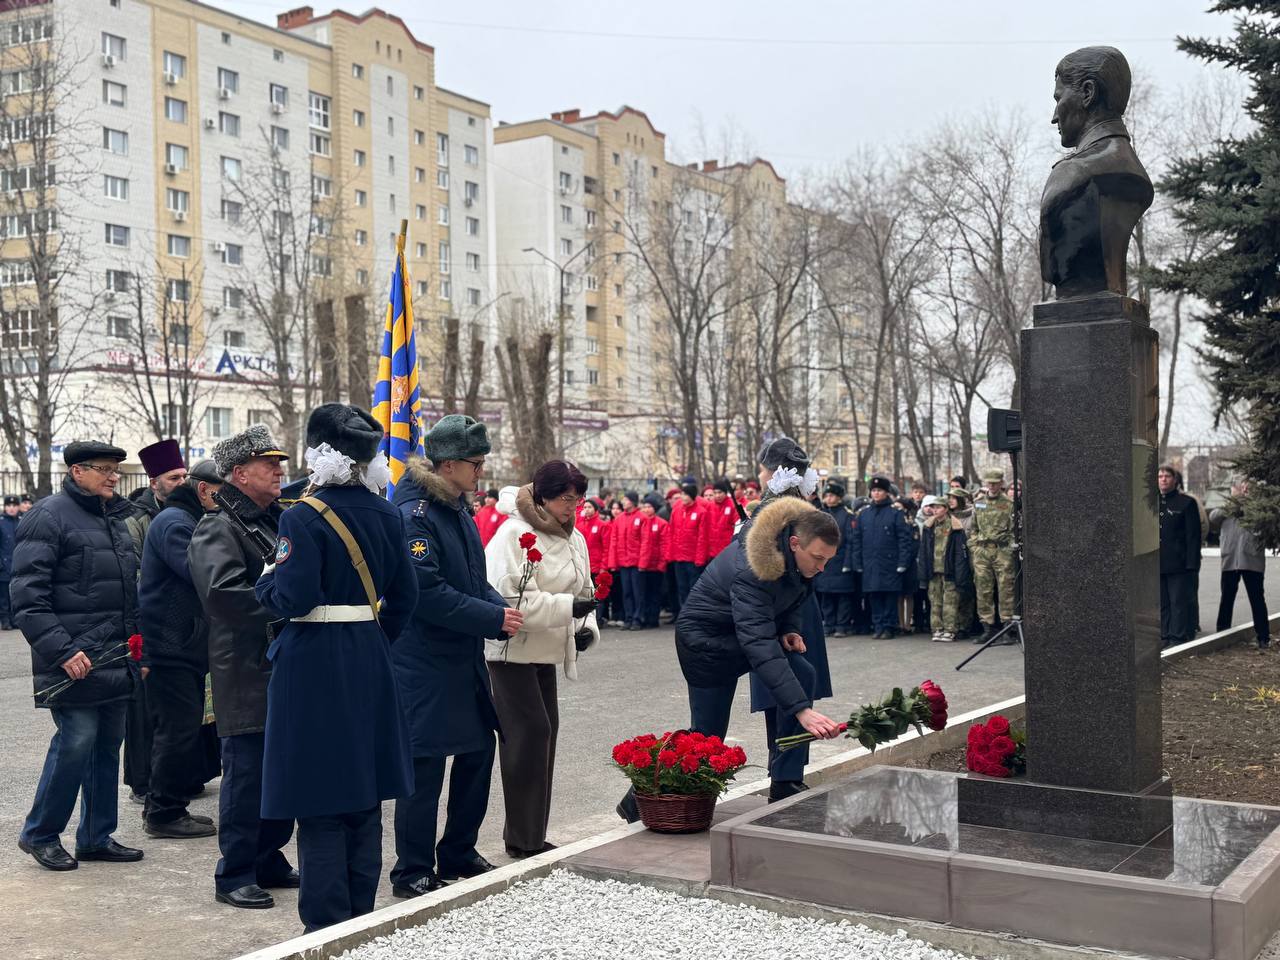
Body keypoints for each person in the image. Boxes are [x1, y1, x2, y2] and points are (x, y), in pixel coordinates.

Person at [255, 404, 417, 932]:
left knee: (320, 800)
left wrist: (265, 585)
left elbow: (292, 597)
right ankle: (361, 920)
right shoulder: (387, 512)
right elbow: (406, 599)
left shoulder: (300, 514)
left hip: (312, 665)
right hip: (369, 655)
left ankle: (325, 925)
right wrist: (370, 638)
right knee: (363, 797)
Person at [629, 497, 842, 817]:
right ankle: (638, 799)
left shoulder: (798, 557)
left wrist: (788, 628)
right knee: (706, 737)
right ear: (795, 543)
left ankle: (785, 781)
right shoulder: (753, 567)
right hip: (705, 642)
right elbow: (758, 645)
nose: (821, 567)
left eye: (827, 560)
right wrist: (801, 711)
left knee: (803, 672)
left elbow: (796, 594)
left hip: (740, 633)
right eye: (818, 558)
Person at [390, 415, 521, 897]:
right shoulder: (416, 516)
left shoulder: (456, 508)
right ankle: (413, 868)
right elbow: (426, 594)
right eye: (476, 463)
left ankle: (459, 850)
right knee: (425, 768)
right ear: (448, 465)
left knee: (476, 753)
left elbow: (469, 577)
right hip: (424, 663)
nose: (481, 472)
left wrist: (496, 605)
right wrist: (491, 619)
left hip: (460, 659)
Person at [14, 441, 143, 871]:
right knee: (75, 743)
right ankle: (40, 834)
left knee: (108, 745)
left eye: (116, 470)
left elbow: (127, 593)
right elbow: (28, 599)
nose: (113, 477)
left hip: (113, 656)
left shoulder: (113, 519)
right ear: (77, 472)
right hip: (73, 660)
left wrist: (135, 647)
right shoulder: (48, 517)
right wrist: (63, 651)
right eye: (105, 469)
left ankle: (96, 836)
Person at [189, 426, 297, 910]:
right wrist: (288, 603)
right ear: (239, 473)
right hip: (247, 670)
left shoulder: (275, 520)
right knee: (247, 776)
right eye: (268, 463)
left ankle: (268, 856)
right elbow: (223, 596)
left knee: (283, 772)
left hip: (282, 666)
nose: (279, 470)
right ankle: (233, 872)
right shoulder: (218, 525)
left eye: (280, 462)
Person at [485, 460, 599, 858]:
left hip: (545, 649)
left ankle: (531, 833)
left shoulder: (574, 537)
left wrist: (586, 626)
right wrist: (570, 609)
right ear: (544, 496)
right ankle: (523, 837)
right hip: (510, 651)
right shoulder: (513, 534)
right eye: (567, 499)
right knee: (528, 736)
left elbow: (586, 590)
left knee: (544, 735)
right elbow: (510, 601)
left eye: (579, 499)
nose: (574, 507)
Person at [139, 462, 219, 840]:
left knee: (181, 729)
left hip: (181, 641)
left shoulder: (184, 517)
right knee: (177, 730)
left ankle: (169, 805)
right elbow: (200, 572)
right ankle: (164, 812)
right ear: (204, 491)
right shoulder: (176, 522)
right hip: (171, 645)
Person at [123, 439, 189, 807]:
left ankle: (181, 778)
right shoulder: (137, 521)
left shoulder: (190, 513)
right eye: (172, 477)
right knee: (147, 711)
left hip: (182, 627)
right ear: (154, 482)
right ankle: (144, 780)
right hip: (149, 624)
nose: (181, 482)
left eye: (184, 475)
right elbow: (134, 575)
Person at [850, 476, 915, 639]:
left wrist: (902, 562)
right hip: (870, 563)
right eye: (873, 490)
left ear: (886, 493)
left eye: (879, 490)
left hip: (890, 563)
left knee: (889, 596)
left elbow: (904, 540)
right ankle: (878, 625)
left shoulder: (895, 513)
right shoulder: (864, 514)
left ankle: (888, 626)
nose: (876, 493)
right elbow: (856, 540)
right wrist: (857, 562)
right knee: (874, 596)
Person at [1211, 482, 1269, 649]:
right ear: (1233, 490)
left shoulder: (1259, 507)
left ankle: (1263, 637)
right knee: (1226, 598)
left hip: (1252, 559)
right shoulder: (1227, 507)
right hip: (1230, 560)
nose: (1244, 490)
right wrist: (1233, 502)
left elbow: (1264, 526)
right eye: (1240, 487)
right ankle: (1221, 633)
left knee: (1257, 599)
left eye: (1248, 487)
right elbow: (1214, 517)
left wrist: (1249, 502)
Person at [970, 468, 1018, 644]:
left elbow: (1015, 529)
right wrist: (975, 546)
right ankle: (988, 628)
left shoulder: (1009, 503)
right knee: (983, 589)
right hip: (982, 551)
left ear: (1001, 483)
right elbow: (973, 528)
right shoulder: (979, 503)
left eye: (995, 482)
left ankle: (1007, 629)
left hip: (1002, 550)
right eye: (989, 482)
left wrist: (1008, 549)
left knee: (1006, 589)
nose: (991, 485)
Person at [1158, 464, 1202, 649]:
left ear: (1175, 480)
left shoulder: (1186, 503)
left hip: (1179, 563)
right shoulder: (1153, 503)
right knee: (1162, 603)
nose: (1163, 479)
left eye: (1167, 476)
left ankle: (1178, 636)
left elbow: (1193, 536)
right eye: (1160, 476)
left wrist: (1192, 564)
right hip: (1158, 562)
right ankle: (1164, 635)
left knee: (1178, 602)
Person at [919, 495, 973, 642]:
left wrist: (960, 573)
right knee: (935, 601)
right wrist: (923, 572)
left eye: (938, 507)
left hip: (949, 570)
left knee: (950, 601)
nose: (935, 510)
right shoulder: (928, 526)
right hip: (933, 570)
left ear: (946, 509)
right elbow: (923, 551)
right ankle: (937, 628)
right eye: (933, 507)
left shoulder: (955, 527)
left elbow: (960, 553)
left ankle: (950, 629)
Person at [814, 481, 857, 637]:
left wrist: (848, 563)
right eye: (826, 495)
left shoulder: (847, 515)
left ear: (839, 497)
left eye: (832, 495)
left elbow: (851, 540)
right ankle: (829, 624)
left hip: (840, 560)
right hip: (824, 561)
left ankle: (841, 625)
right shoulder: (820, 514)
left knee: (842, 596)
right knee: (826, 596)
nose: (828, 498)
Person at [667, 483, 709, 611]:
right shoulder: (676, 511)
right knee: (682, 588)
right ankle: (684, 614)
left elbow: (702, 537)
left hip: (693, 559)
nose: (682, 497)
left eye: (685, 494)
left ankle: (694, 613)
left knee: (693, 588)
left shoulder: (701, 512)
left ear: (691, 496)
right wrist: (670, 554)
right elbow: (671, 532)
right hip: (679, 558)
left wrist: (699, 558)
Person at [636, 493, 669, 629]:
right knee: (643, 593)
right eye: (644, 506)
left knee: (654, 594)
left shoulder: (661, 524)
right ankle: (644, 617)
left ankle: (653, 618)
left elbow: (664, 545)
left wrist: (662, 564)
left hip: (655, 566)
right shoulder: (640, 522)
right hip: (641, 565)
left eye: (649, 506)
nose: (646, 509)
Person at [615, 492, 643, 630]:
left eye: (626, 500)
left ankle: (637, 619)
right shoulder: (619, 519)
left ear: (633, 501)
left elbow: (645, 541)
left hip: (637, 562)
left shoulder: (642, 517)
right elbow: (615, 541)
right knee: (626, 592)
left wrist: (642, 561)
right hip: (623, 561)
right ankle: (629, 618)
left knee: (637, 592)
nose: (623, 502)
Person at [576, 498, 609, 587]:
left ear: (595, 509)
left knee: (597, 592)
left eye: (589, 507)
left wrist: (603, 566)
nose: (586, 509)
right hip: (583, 565)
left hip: (597, 566)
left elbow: (606, 547)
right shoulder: (578, 525)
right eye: (585, 507)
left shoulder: (602, 525)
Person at [705, 480, 739, 562]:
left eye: (720, 492)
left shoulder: (732, 505)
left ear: (725, 492)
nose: (717, 495)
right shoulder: (709, 506)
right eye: (715, 493)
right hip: (712, 551)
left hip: (727, 550)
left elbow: (737, 526)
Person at [0, 493, 20, 629]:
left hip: (18, 564)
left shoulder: (22, 521)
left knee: (16, 595)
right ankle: (5, 620)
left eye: (14, 505)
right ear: (5, 507)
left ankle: (14, 619)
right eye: (9, 505)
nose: (11, 508)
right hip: (3, 564)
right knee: (3, 596)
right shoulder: (1, 522)